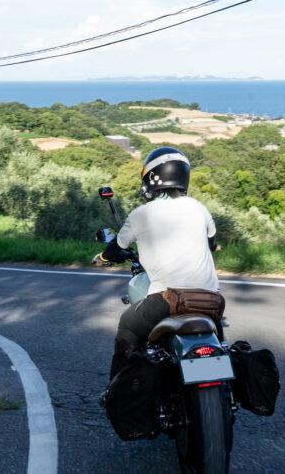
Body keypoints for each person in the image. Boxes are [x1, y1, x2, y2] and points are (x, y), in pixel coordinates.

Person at [94, 147, 223, 377]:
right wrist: (211, 246)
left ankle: (121, 390)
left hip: (167, 299)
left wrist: (103, 258)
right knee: (217, 338)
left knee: (127, 325)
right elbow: (211, 241)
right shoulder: (199, 209)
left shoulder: (141, 214)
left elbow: (117, 247)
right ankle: (221, 376)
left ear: (151, 178)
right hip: (211, 299)